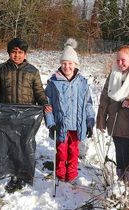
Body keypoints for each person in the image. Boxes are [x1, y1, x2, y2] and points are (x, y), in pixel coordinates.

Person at [0, 38, 50, 193]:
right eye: (14, 52)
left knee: (24, 145)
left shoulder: (32, 71)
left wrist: (44, 103)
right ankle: (10, 171)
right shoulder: (1, 69)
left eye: (20, 52)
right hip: (6, 114)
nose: (17, 55)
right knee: (8, 144)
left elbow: (39, 92)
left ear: (25, 54)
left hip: (26, 117)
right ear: (9, 53)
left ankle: (22, 174)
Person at [44, 38, 95, 183]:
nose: (67, 66)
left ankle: (71, 174)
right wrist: (50, 122)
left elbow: (88, 104)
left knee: (73, 151)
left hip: (77, 125)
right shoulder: (53, 83)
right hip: (60, 125)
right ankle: (60, 174)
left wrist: (90, 122)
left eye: (70, 63)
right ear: (60, 64)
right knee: (61, 151)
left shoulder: (82, 83)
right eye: (64, 63)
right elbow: (47, 105)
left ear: (75, 65)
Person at [96, 45, 129, 182]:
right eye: (118, 60)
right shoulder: (113, 76)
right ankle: (120, 178)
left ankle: (128, 178)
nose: (120, 63)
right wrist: (101, 119)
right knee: (118, 151)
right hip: (114, 122)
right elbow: (104, 99)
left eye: (123, 60)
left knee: (127, 152)